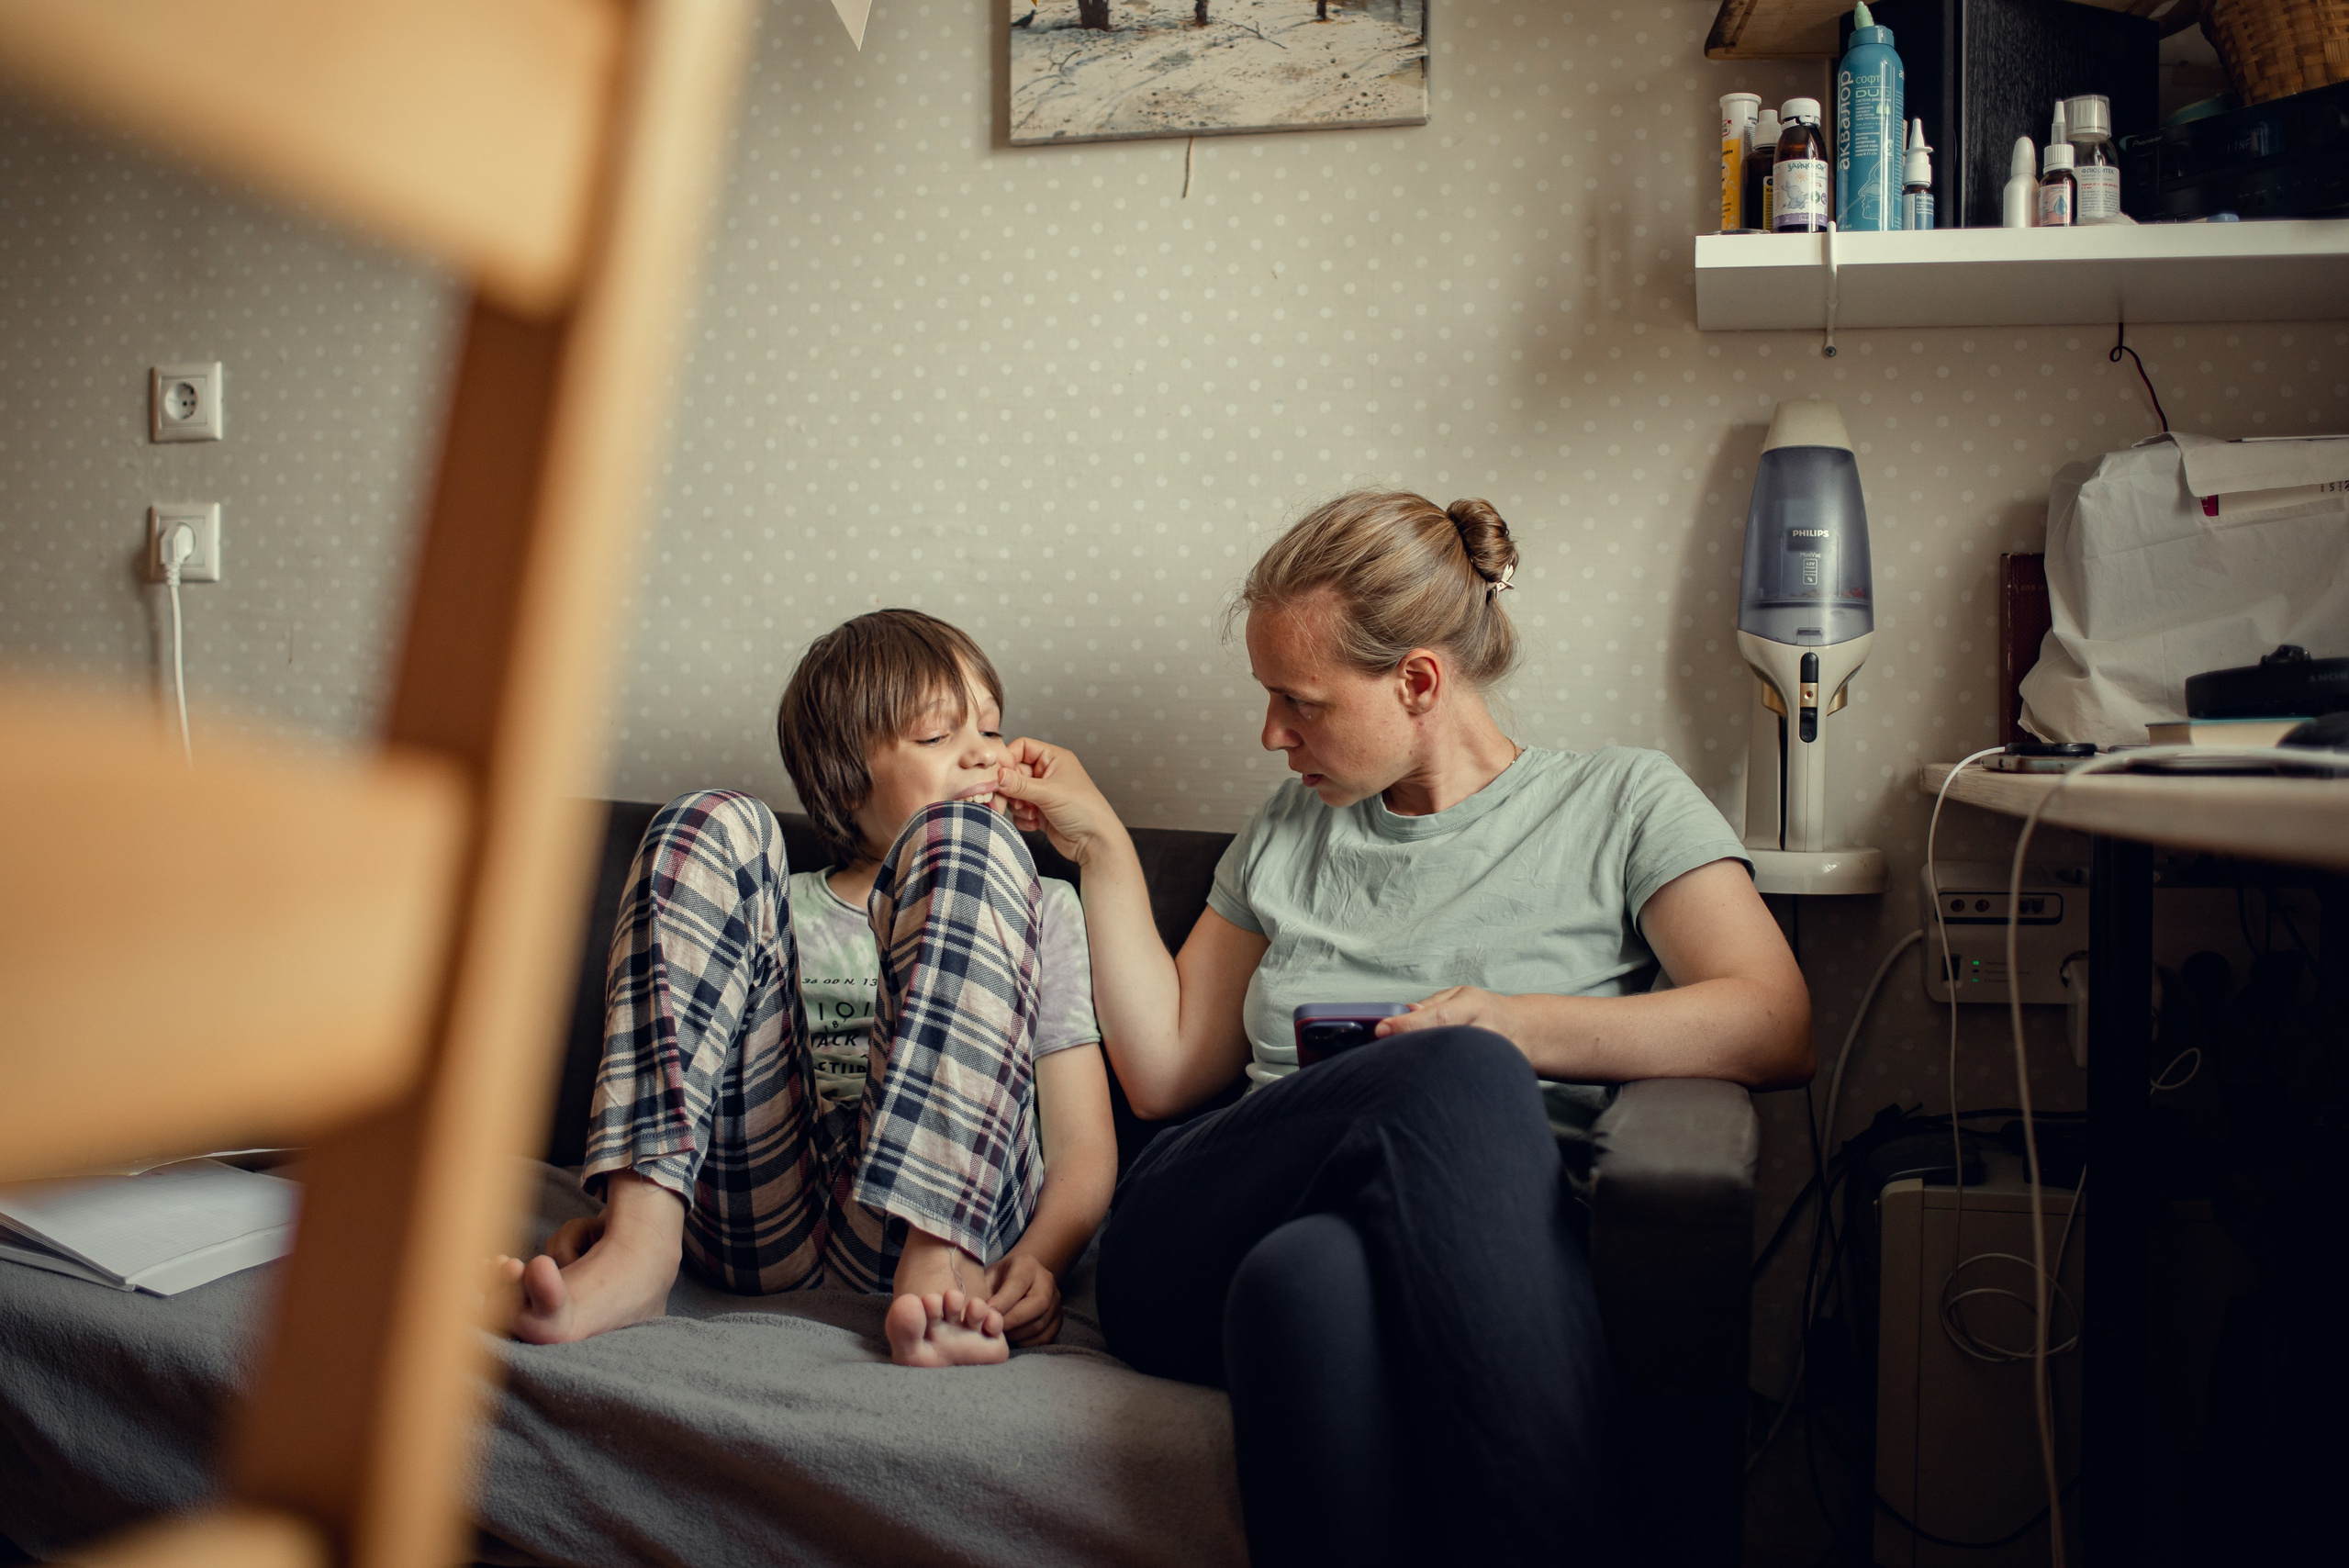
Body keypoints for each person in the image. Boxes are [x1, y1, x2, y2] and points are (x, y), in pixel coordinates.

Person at [991, 491, 1812, 1564]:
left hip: (1459, 1248)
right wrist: (1098, 846)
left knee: (1307, 1290)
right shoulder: (1293, 827)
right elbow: (1165, 1073)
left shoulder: (1621, 803)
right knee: (1452, 1070)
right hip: (1193, 1230)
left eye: (1300, 701)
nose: (1272, 734)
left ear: (1419, 680)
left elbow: (1772, 1018)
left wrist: (1517, 1027)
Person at [496, 610, 1117, 1368]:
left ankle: (938, 1271)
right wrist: (616, 1211)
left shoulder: (1038, 905)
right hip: (760, 1217)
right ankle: (637, 1251)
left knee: (970, 840)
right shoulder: (764, 901)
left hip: (946, 1227)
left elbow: (1083, 1145)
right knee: (706, 819)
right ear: (844, 776)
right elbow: (680, 1052)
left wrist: (1040, 1261)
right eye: (936, 736)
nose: (982, 757)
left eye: (990, 730)